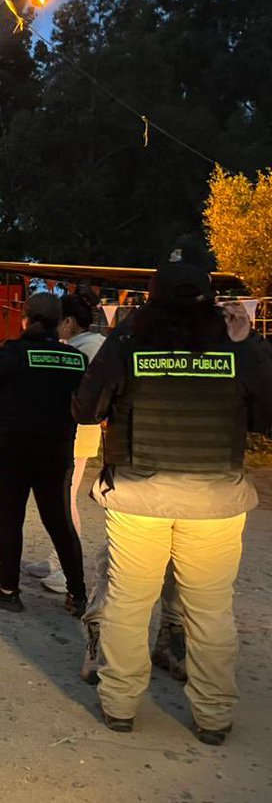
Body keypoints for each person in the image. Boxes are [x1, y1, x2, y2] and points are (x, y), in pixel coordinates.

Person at [71, 259, 272, 743]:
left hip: (139, 498)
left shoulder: (131, 343)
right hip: (216, 501)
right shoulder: (234, 347)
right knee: (209, 611)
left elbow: (86, 407)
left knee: (128, 603)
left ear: (151, 299)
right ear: (209, 300)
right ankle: (214, 716)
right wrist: (253, 346)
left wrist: (120, 337)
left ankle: (119, 705)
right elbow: (266, 416)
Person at [0, 292, 89, 616]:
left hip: (12, 451)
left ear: (26, 318)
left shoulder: (13, 352)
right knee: (61, 523)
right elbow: (90, 405)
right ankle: (77, 595)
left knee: (10, 519)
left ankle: (8, 590)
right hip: (57, 451)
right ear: (59, 322)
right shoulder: (76, 360)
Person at [26, 291, 106, 595]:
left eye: (58, 321)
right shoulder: (81, 345)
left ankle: (65, 569)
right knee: (56, 498)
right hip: (67, 432)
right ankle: (54, 559)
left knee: (65, 499)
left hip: (76, 434)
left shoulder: (87, 349)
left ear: (69, 322)